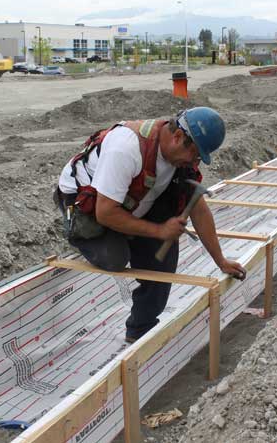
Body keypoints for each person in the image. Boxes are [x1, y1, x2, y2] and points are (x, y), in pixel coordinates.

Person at [54, 107, 246, 342]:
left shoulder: (181, 157)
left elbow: (199, 208)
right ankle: (83, 235)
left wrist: (221, 261)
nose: (194, 162)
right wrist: (157, 230)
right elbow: (105, 213)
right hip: (88, 202)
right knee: (115, 257)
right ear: (178, 138)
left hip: (135, 198)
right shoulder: (126, 149)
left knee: (161, 258)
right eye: (195, 155)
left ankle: (139, 331)